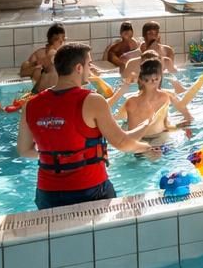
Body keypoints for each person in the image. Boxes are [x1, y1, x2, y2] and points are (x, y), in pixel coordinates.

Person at [17, 43, 166, 208]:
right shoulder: (92, 101)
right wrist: (146, 148)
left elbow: (24, 150)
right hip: (89, 189)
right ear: (79, 68)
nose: (91, 68)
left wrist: (61, 157)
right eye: (89, 64)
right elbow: (122, 143)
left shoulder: (30, 105)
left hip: (47, 192)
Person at [113, 57, 193, 135]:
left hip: (157, 138)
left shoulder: (165, 97)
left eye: (156, 79)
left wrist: (180, 127)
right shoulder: (132, 102)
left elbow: (166, 127)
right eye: (149, 80)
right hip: (139, 140)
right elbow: (132, 135)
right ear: (141, 80)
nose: (153, 82)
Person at [21, 24, 65, 91]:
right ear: (50, 40)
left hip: (50, 92)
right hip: (41, 91)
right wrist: (36, 64)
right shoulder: (40, 54)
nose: (61, 41)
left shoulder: (63, 54)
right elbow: (23, 72)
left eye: (63, 38)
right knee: (38, 71)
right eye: (57, 39)